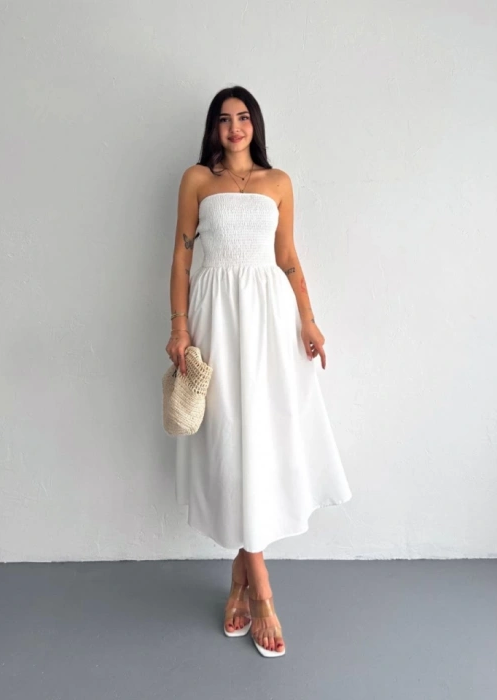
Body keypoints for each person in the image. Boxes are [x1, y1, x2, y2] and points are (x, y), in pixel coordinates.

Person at [165, 86, 353, 657]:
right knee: (229, 439)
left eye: (243, 117)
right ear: (213, 128)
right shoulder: (197, 179)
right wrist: (179, 327)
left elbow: (287, 257)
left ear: (256, 124)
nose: (234, 127)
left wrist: (309, 321)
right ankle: (262, 591)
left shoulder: (279, 183)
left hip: (270, 320)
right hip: (216, 318)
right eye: (224, 119)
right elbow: (182, 256)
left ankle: (240, 582)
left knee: (262, 440)